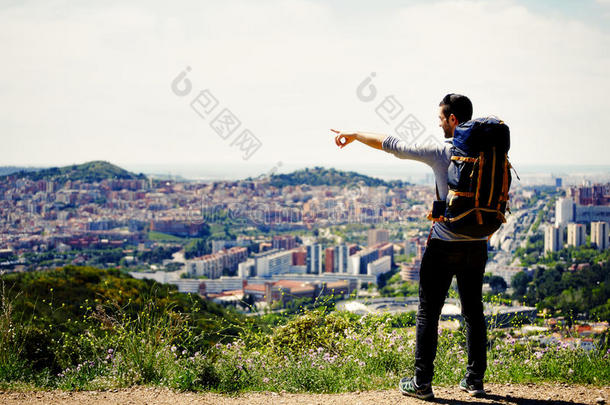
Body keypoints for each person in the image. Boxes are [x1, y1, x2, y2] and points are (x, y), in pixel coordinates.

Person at [332, 94, 489, 400]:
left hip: (444, 243)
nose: (439, 123)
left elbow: (392, 144)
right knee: (473, 312)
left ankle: (422, 384)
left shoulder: (442, 151)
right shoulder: (489, 153)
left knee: (428, 313)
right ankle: (474, 381)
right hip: (478, 244)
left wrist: (354, 135)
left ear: (453, 119)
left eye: (442, 118)